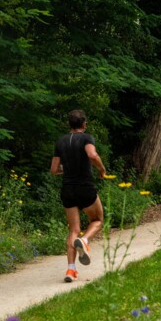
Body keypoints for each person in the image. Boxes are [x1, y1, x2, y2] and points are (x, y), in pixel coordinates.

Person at [50, 109, 107, 283]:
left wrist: (68, 170)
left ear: (69, 124)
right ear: (84, 124)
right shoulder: (86, 138)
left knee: (73, 229)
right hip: (84, 187)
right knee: (97, 220)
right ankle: (84, 240)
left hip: (67, 190)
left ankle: (70, 270)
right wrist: (102, 170)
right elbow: (92, 154)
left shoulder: (60, 142)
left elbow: (54, 170)